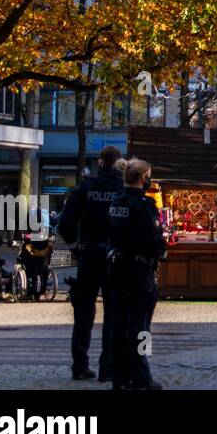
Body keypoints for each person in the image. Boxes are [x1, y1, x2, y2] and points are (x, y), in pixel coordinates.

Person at [58, 145, 125, 382]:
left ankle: (80, 365)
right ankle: (107, 368)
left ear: (100, 162)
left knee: (83, 314)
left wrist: (77, 248)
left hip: (89, 257)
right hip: (115, 259)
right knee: (113, 315)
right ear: (119, 164)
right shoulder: (122, 190)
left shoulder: (86, 188)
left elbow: (64, 224)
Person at [107, 159, 167, 389]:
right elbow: (153, 238)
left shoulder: (116, 202)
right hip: (140, 272)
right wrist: (161, 252)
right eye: (149, 175)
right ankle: (143, 376)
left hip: (118, 269)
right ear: (143, 177)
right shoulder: (144, 205)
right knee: (142, 327)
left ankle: (119, 376)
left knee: (119, 325)